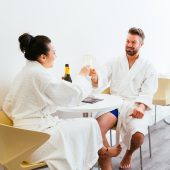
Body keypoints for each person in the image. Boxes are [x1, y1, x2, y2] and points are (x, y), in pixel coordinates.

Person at [3, 33, 121, 170]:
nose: (56, 55)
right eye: (53, 52)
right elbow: (73, 94)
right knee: (90, 124)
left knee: (86, 125)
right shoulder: (39, 74)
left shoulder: (24, 73)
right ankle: (102, 151)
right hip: (36, 141)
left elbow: (9, 106)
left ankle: (101, 150)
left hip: (21, 140)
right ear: (43, 57)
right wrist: (82, 75)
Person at [90, 27, 158, 169]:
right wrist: (96, 77)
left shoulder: (148, 66)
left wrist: (141, 106)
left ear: (141, 45)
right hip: (115, 103)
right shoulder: (115, 61)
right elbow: (101, 77)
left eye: (133, 42)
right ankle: (107, 163)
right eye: (127, 41)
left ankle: (128, 154)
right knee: (96, 128)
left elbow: (148, 91)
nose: (129, 45)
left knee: (138, 137)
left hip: (135, 105)